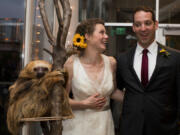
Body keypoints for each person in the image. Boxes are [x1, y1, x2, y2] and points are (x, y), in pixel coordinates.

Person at [116, 6, 180, 135]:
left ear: (156, 25)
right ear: (133, 28)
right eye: (138, 24)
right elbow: (117, 88)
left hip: (165, 128)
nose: (143, 28)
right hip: (131, 127)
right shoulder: (122, 59)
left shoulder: (175, 58)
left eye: (147, 23)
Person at [63, 18, 123, 135]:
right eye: (101, 32)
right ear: (87, 36)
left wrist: (138, 98)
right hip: (77, 127)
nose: (106, 36)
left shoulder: (111, 63)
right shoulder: (71, 64)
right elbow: (61, 100)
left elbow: (112, 91)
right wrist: (83, 104)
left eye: (105, 33)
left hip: (105, 125)